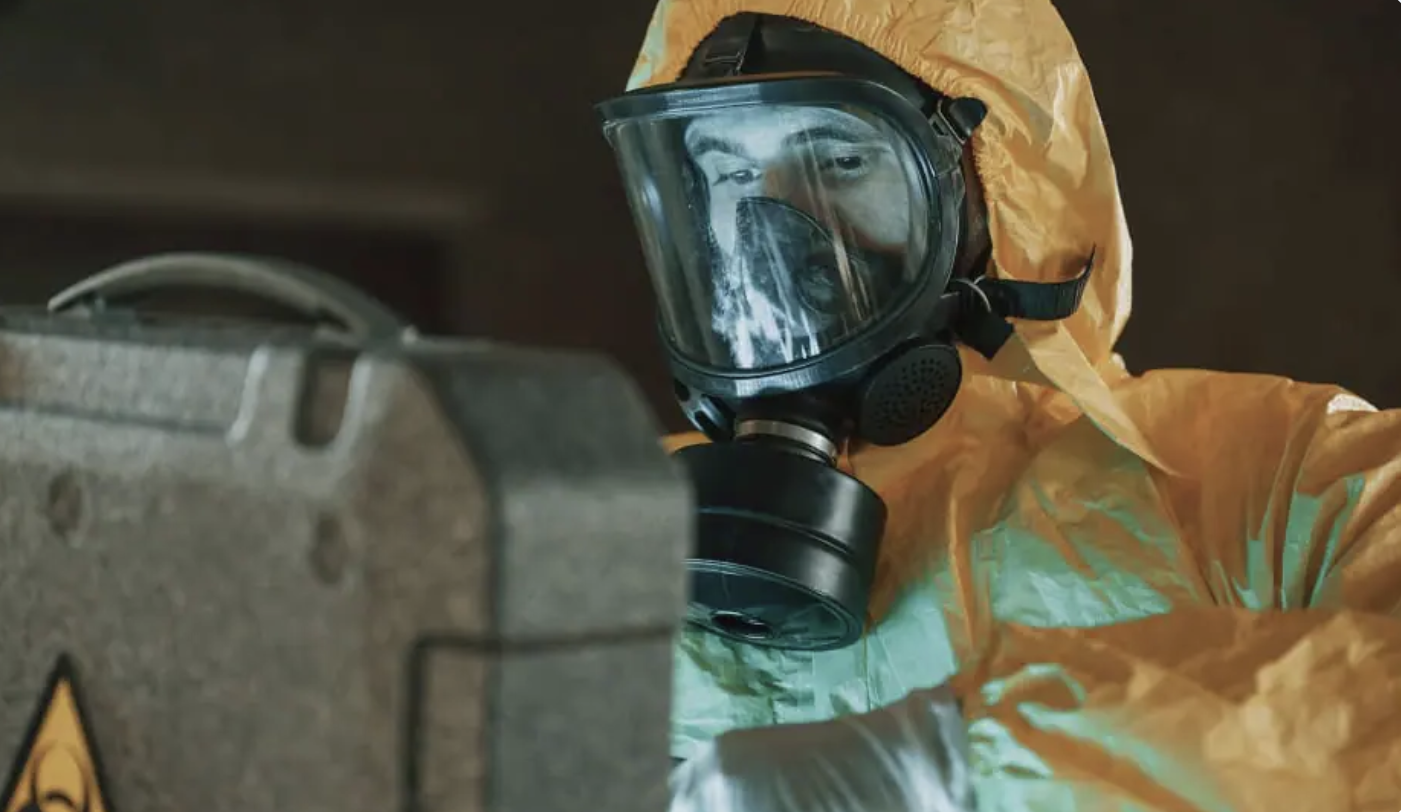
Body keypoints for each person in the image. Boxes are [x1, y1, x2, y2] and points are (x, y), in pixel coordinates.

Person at [596, 0, 1401, 809]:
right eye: (730, 174)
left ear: (988, 186)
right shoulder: (598, 542)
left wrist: (957, 760)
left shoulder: (1265, 482)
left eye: (839, 160)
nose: (769, 230)